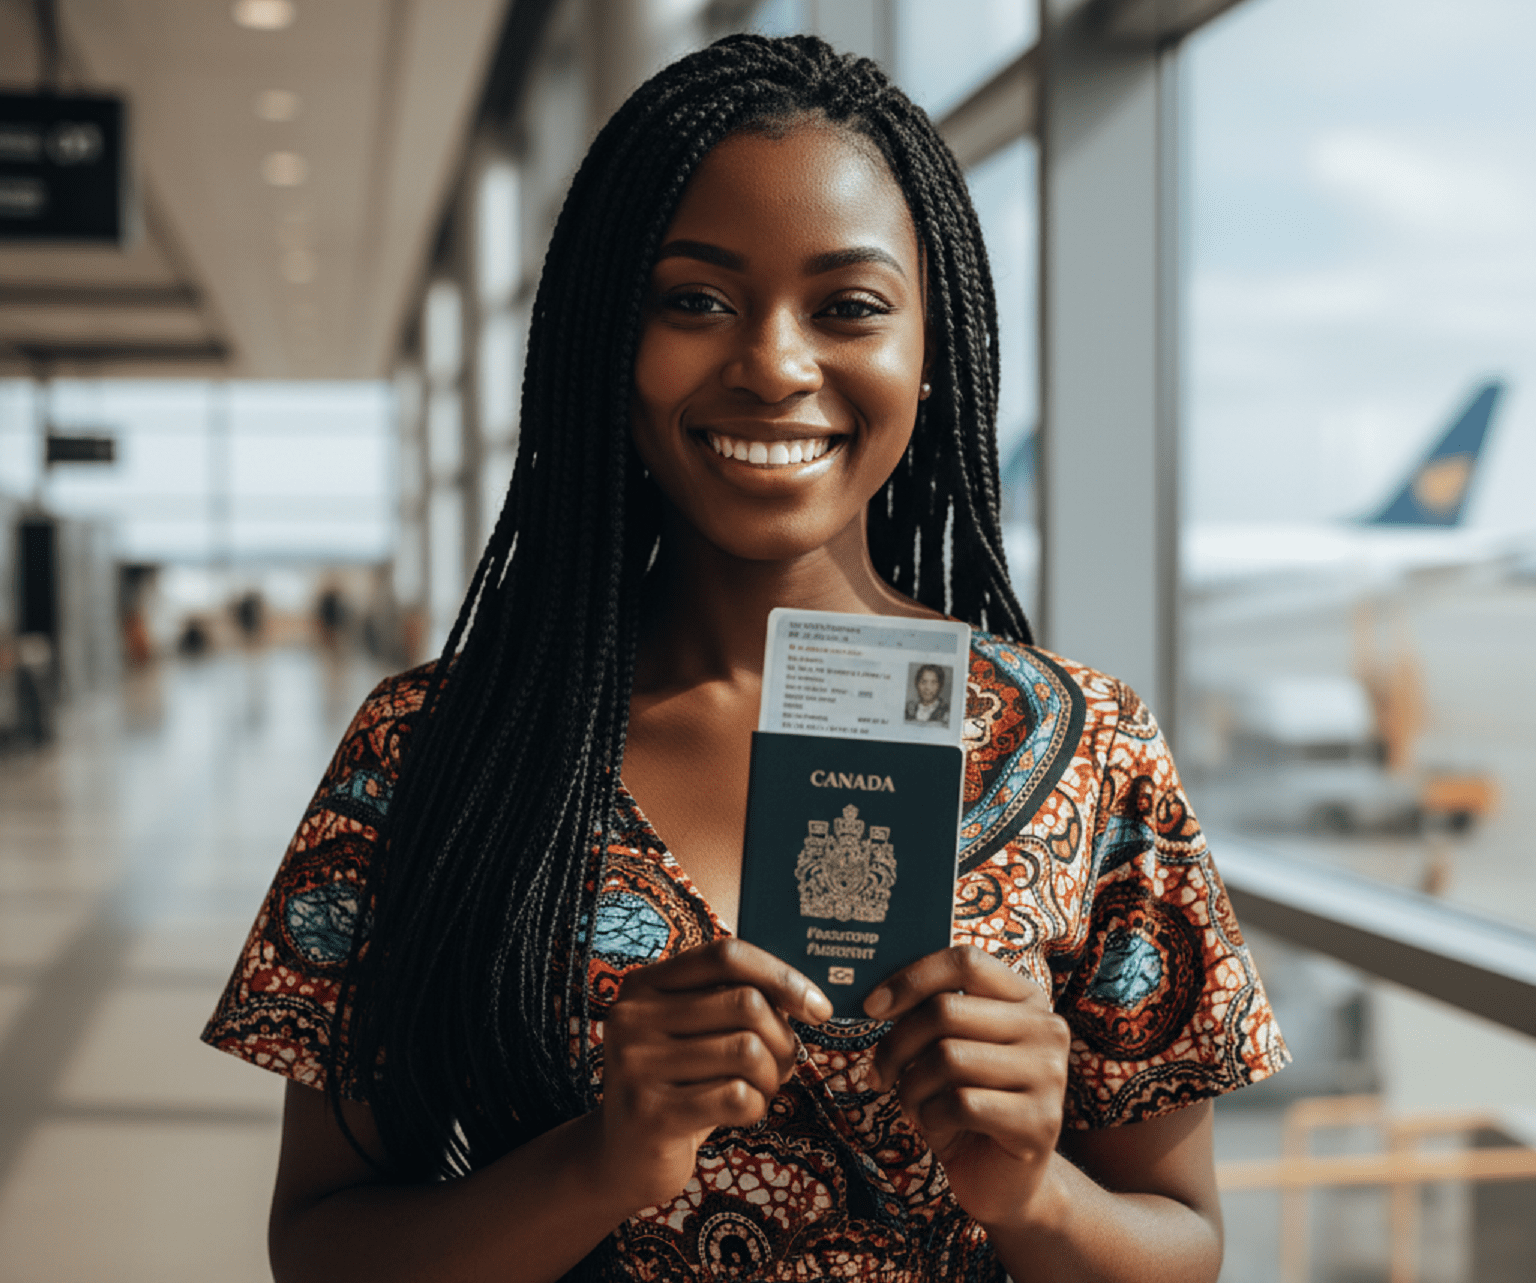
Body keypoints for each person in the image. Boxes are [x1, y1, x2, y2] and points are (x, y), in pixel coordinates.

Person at [202, 34, 1286, 1283]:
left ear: (932, 355)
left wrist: (1035, 1193)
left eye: (850, 307)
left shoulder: (1087, 749)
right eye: (695, 299)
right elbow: (320, 1249)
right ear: (607, 343)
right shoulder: (434, 750)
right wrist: (598, 1159)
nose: (774, 364)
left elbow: (1185, 1244)